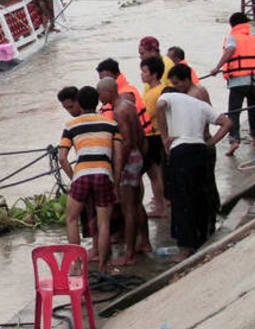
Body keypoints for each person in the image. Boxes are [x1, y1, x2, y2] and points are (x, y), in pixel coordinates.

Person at [155, 65, 232, 261]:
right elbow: (227, 123)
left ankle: (185, 248)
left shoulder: (169, 96)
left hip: (181, 151)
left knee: (181, 201)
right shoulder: (198, 102)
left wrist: (165, 137)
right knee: (199, 196)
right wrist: (210, 142)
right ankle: (201, 238)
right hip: (200, 150)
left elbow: (159, 106)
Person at [58, 86, 122, 272]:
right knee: (104, 224)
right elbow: (118, 157)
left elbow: (62, 157)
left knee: (71, 219)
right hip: (104, 174)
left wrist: (73, 177)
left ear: (79, 102)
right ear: (97, 102)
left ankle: (77, 265)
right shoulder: (111, 124)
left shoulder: (71, 126)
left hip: (82, 175)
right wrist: (115, 182)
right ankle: (105, 266)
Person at [96, 77, 151, 265]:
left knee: (128, 207)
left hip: (129, 160)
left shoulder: (119, 110)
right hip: (138, 155)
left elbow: (126, 141)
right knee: (137, 203)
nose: (99, 98)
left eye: (100, 94)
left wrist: (118, 168)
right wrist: (141, 158)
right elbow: (141, 135)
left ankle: (129, 254)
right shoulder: (128, 104)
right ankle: (145, 242)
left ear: (108, 92)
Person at [209, 12, 255, 156]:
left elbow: (231, 50)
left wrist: (217, 67)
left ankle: (234, 141)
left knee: (234, 112)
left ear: (232, 25)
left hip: (238, 81)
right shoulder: (253, 39)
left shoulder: (233, 37)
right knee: (254, 109)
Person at [139, 56, 167, 217]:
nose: (142, 75)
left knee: (153, 174)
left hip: (152, 136)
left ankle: (159, 206)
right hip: (158, 136)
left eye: (144, 72)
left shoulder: (152, 95)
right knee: (156, 172)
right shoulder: (160, 89)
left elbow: (144, 116)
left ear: (154, 74)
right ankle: (161, 203)